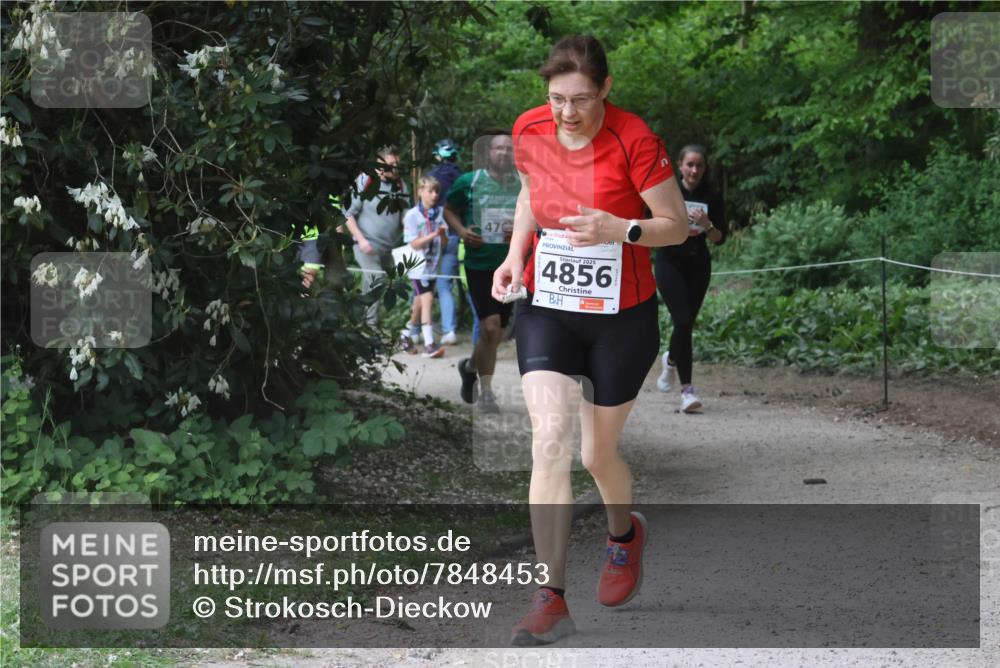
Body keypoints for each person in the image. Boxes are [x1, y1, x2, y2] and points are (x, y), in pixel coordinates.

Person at [491, 35, 689, 645]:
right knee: (548, 441)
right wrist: (514, 254)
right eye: (556, 99)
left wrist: (620, 227)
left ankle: (624, 535)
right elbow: (530, 193)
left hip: (622, 316)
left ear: (605, 89)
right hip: (548, 305)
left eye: (581, 99)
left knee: (596, 457)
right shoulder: (529, 129)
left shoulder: (635, 140)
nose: (567, 112)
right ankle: (550, 598)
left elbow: (675, 228)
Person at [445, 130, 520, 413]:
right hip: (479, 265)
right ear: (489, 152)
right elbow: (449, 210)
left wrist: (519, 232)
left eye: (508, 150)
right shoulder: (470, 182)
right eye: (499, 148)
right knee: (490, 327)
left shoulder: (522, 185)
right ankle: (487, 392)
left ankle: (469, 367)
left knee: (495, 333)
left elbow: (533, 218)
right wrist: (463, 231)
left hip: (510, 266)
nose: (503, 153)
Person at [654, 144, 727, 413]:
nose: (694, 170)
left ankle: (671, 360)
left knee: (686, 325)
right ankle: (687, 391)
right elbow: (652, 227)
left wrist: (707, 225)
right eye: (690, 164)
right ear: (680, 165)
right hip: (669, 262)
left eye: (699, 165)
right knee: (682, 319)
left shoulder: (713, 195)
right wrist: (676, 227)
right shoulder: (667, 192)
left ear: (704, 169)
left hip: (698, 264)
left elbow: (720, 239)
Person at [341, 145, 409, 327]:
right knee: (375, 280)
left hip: (389, 247)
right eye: (391, 164)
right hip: (366, 244)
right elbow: (347, 214)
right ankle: (369, 327)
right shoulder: (365, 180)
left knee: (377, 285)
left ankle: (361, 323)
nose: (395, 168)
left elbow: (406, 216)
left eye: (397, 164)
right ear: (380, 164)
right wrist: (361, 240)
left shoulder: (400, 184)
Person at [399, 175, 448, 358]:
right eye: (430, 191)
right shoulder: (411, 215)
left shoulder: (439, 213)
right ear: (420, 191)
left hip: (433, 265)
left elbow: (443, 242)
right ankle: (429, 344)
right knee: (427, 300)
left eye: (436, 191)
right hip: (417, 265)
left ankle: (404, 336)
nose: (434, 195)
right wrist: (433, 234)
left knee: (419, 303)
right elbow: (413, 244)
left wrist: (442, 234)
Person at [427, 139, 463, 345]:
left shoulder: (431, 177)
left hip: (431, 236)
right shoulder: (462, 178)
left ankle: (416, 330)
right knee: (444, 285)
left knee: (422, 284)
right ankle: (450, 331)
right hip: (455, 234)